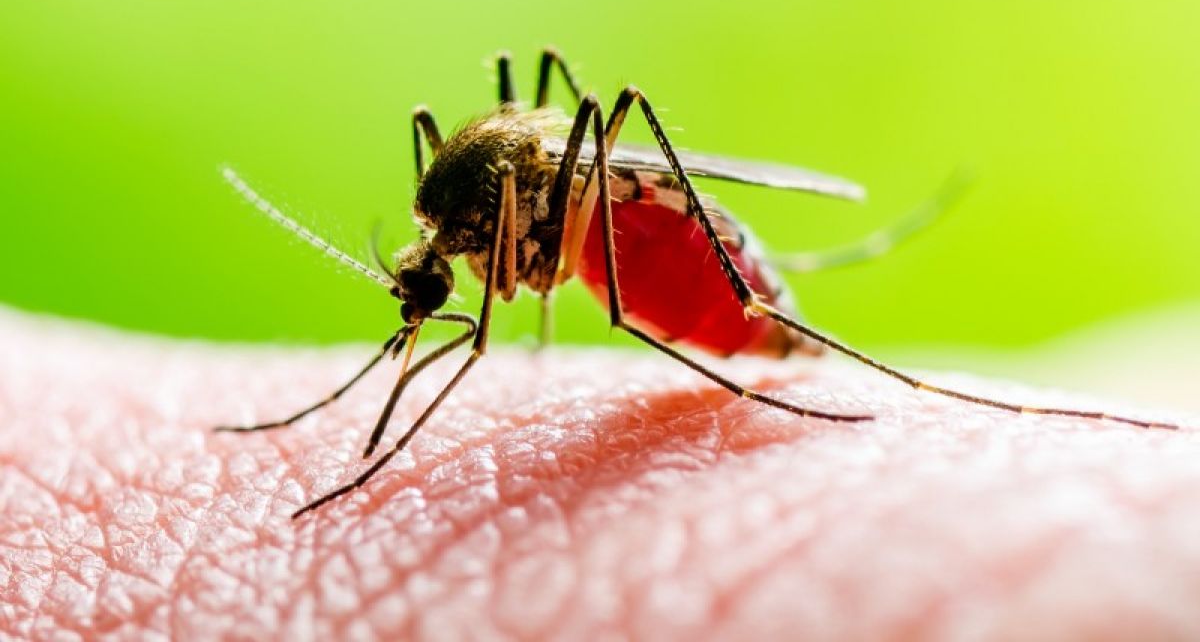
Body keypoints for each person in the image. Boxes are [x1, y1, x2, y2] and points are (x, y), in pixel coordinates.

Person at [0, 306, 1195, 640]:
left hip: (631, 223)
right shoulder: (463, 220)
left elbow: (467, 332)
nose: (425, 312)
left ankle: (869, 366)